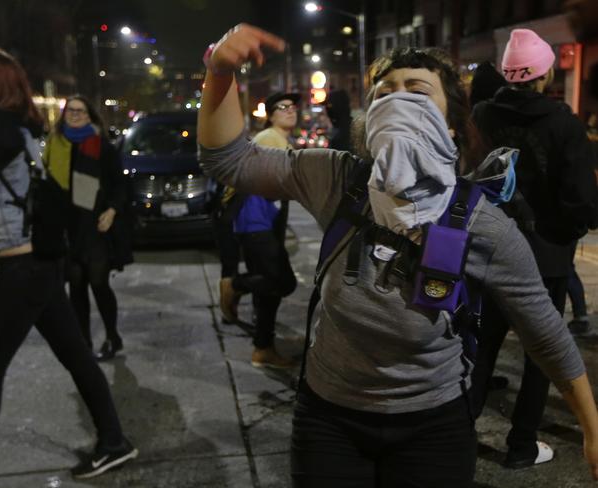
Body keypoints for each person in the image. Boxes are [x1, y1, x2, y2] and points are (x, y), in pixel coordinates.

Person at [197, 24, 598, 487]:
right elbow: (227, 161)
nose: (397, 99)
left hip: (434, 427)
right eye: (384, 92)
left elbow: (544, 332)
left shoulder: (482, 222)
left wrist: (591, 427)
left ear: (451, 123)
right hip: (328, 419)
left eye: (417, 90)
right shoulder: (336, 178)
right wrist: (221, 71)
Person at [0, 46, 137, 488]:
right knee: (76, 356)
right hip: (35, 266)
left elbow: (2, 139)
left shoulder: (7, 125)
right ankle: (114, 442)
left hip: (24, 269)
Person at [472, 29, 598, 469]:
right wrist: (570, 229)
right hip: (544, 255)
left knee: (481, 346)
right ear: (544, 75)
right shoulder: (563, 124)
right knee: (540, 354)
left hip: (487, 246)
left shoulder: (483, 114)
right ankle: (521, 445)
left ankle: (454, 436)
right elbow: (582, 200)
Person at [43, 95, 132, 361]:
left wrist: (112, 210)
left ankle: (112, 336)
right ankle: (83, 342)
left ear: (90, 116)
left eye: (80, 111)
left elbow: (119, 184)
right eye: (70, 111)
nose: (74, 115)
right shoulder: (54, 144)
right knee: (76, 286)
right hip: (66, 224)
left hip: (94, 223)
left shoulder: (100, 145)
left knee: (98, 283)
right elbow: (47, 183)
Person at [219, 92, 298, 368]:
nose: (290, 111)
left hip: (265, 221)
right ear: (271, 115)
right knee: (284, 281)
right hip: (255, 221)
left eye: (293, 107)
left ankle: (263, 348)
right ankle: (235, 285)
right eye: (282, 107)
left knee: (269, 290)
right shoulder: (268, 139)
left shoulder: (279, 140)